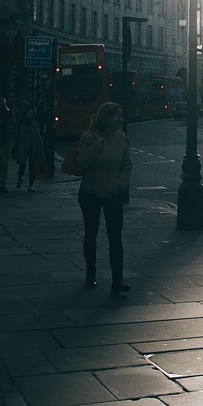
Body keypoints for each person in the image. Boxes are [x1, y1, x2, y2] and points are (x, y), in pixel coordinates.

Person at [74, 101, 134, 295]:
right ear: (108, 118)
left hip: (113, 194)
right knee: (91, 235)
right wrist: (96, 146)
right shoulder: (88, 137)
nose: (122, 120)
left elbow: (127, 165)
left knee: (115, 238)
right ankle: (90, 274)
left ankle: (117, 281)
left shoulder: (122, 138)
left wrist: (121, 184)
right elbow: (81, 165)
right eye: (119, 116)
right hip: (90, 193)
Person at [13, 104, 45, 191]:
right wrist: (16, 146)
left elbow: (38, 137)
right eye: (28, 113)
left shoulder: (35, 124)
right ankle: (20, 178)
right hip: (22, 147)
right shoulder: (21, 124)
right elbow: (17, 136)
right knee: (22, 166)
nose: (30, 115)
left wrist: (40, 148)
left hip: (33, 147)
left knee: (32, 167)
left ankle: (31, 185)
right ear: (25, 114)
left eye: (31, 113)